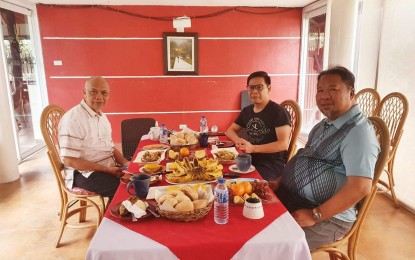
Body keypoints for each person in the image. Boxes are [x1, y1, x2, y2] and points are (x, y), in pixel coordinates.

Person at [275, 66, 380, 250]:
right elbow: (304, 159)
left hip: (328, 217)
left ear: (351, 92)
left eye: (332, 89)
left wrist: (314, 214)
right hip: (294, 199)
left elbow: (360, 188)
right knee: (247, 219)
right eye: (320, 90)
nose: (324, 96)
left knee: (271, 246)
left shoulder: (358, 132)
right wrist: (280, 182)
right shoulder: (323, 125)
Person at [59, 76, 129, 201]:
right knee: (124, 190)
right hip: (83, 172)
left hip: (106, 166)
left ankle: (122, 214)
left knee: (141, 178)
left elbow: (110, 148)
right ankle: (112, 219)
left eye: (104, 93)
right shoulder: (73, 119)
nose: (99, 97)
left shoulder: (102, 117)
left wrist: (126, 163)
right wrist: (107, 170)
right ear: (84, 93)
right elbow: (69, 160)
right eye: (93, 92)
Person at [226, 71, 291, 181]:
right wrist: (238, 140)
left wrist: (253, 148)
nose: (254, 91)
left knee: (246, 185)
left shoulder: (278, 111)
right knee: (224, 176)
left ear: (269, 88)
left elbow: (283, 144)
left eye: (259, 87)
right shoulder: (247, 111)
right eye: (251, 88)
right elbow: (230, 131)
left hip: (271, 164)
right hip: (250, 159)